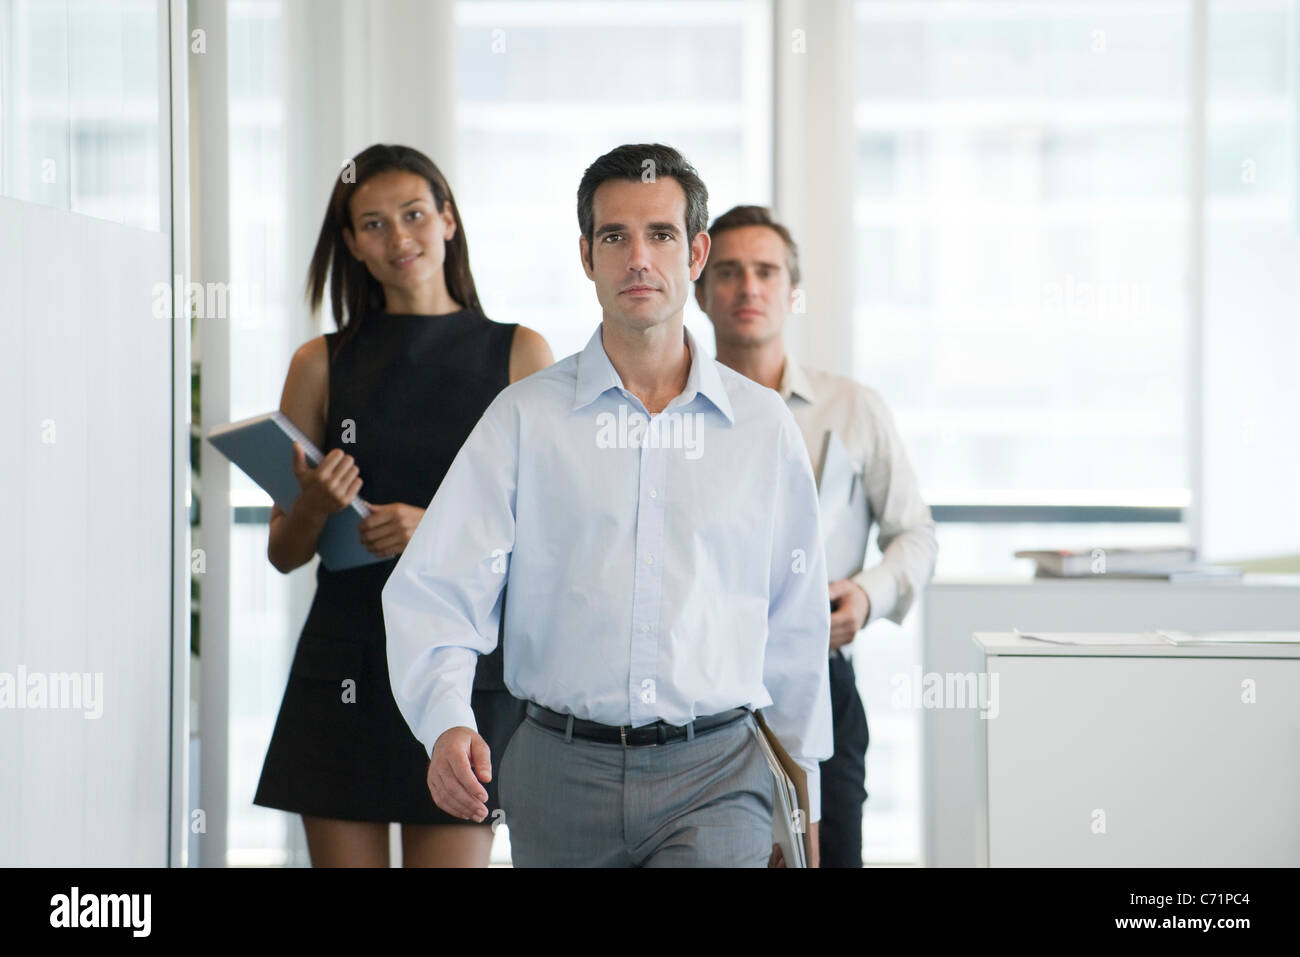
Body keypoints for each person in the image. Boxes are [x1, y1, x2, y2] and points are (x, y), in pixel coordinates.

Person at [382, 143, 833, 867]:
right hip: (558, 772)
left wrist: (802, 799)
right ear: (587, 256)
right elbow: (437, 585)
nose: (639, 259)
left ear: (695, 253)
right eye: (615, 237)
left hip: (719, 772)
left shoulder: (763, 425)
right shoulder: (524, 417)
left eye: (661, 235)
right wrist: (444, 721)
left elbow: (795, 622)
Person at [253, 143, 554, 867]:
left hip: (462, 666)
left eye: (414, 215)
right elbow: (283, 551)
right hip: (344, 665)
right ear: (352, 244)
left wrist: (437, 532)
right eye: (374, 224)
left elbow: (551, 544)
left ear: (448, 219)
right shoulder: (318, 363)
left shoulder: (520, 354)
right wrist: (317, 505)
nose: (399, 238)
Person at [695, 205, 938, 867]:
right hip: (703, 688)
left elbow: (915, 533)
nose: (749, 287)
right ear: (699, 287)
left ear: (791, 291)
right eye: (729, 272)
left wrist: (865, 596)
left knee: (829, 860)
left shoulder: (853, 407)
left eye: (767, 272)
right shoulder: (673, 413)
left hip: (822, 682)